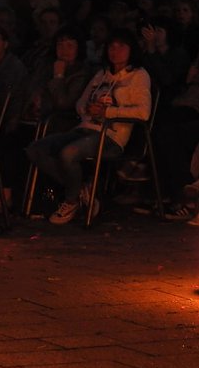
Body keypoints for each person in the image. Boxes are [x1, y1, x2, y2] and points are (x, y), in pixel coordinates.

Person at [25, 28, 152, 224]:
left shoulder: (138, 75)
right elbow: (80, 103)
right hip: (84, 128)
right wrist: (88, 109)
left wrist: (108, 112)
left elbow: (143, 112)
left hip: (111, 136)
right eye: (111, 46)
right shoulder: (102, 74)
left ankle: (71, 199)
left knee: (69, 153)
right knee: (36, 149)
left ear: (131, 50)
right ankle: (81, 190)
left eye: (121, 47)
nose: (115, 51)